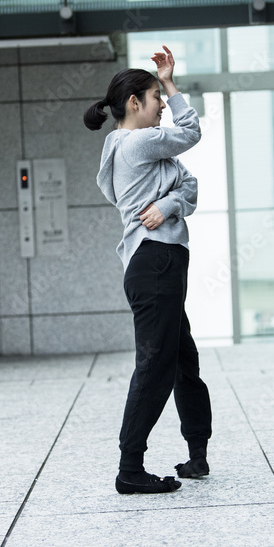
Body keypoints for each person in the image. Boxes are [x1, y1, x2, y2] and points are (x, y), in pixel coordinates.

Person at [84, 45, 213, 495]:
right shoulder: (138, 142)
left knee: (182, 360)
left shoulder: (142, 150)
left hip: (161, 264)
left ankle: (197, 454)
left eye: (164, 96)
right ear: (134, 103)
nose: (163, 105)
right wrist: (174, 82)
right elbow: (191, 130)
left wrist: (170, 202)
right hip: (155, 262)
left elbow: (191, 184)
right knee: (155, 366)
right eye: (156, 97)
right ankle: (130, 469)